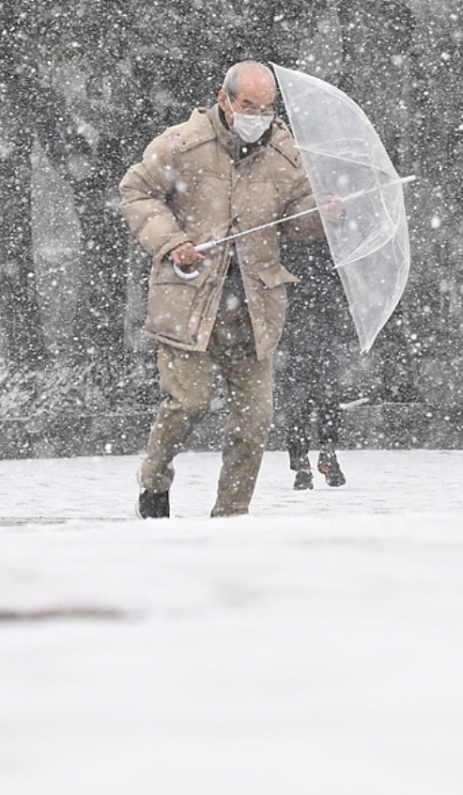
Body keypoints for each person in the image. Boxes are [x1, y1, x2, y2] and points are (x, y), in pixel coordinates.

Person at [119, 61, 337, 518]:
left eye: (268, 107)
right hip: (188, 300)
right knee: (187, 403)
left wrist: (323, 212)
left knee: (255, 420)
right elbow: (136, 191)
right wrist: (173, 241)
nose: (259, 115)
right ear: (225, 100)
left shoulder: (284, 152)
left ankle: (232, 515)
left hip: (256, 304)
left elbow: (296, 217)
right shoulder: (183, 144)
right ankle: (154, 480)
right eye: (249, 106)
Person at [276, 238, 348, 490]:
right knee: (317, 396)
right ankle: (320, 456)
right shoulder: (328, 242)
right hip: (309, 324)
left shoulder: (297, 238)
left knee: (305, 398)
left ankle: (306, 462)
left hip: (304, 324)